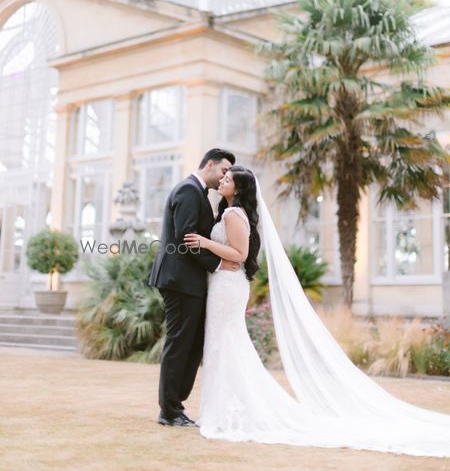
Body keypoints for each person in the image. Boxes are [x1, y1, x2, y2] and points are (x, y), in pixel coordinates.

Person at [183, 165, 450, 458]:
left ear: (240, 188)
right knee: (225, 345)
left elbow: (240, 255)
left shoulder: (234, 214)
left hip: (228, 287)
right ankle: (223, 409)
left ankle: (224, 413)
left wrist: (205, 242)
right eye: (223, 177)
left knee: (226, 345)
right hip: (225, 284)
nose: (222, 181)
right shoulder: (230, 212)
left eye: (228, 179)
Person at [147, 148, 239, 427]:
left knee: (192, 344)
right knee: (179, 344)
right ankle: (169, 410)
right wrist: (219, 264)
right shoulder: (188, 191)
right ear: (209, 164)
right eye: (223, 170)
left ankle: (175, 406)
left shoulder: (198, 193)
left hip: (190, 281)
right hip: (180, 280)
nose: (225, 177)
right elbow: (187, 238)